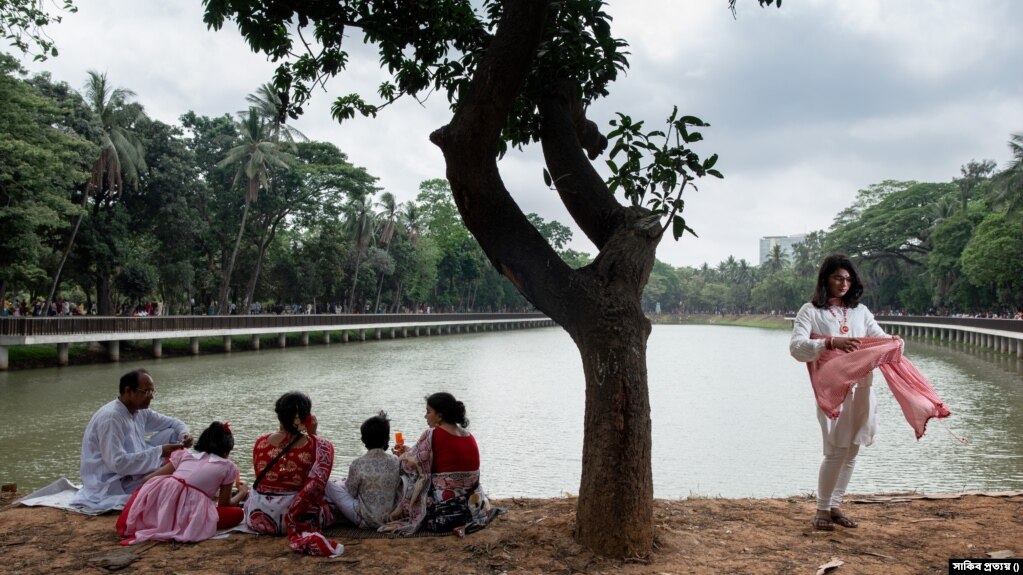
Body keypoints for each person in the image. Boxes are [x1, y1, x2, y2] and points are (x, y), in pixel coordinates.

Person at [789, 254, 900, 531]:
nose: (844, 283)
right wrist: (829, 342)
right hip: (833, 391)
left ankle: (836, 505)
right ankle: (822, 510)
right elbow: (796, 348)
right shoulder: (810, 311)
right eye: (838, 278)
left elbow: (879, 337)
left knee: (851, 450)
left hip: (862, 388)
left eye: (848, 279)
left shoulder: (860, 312)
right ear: (825, 278)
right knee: (836, 450)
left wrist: (895, 343)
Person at [70, 369, 192, 513]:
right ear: (128, 391)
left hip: (132, 467)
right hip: (113, 481)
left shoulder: (139, 410)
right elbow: (118, 464)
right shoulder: (112, 418)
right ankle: (160, 473)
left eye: (152, 392)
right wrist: (159, 452)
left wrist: (184, 434)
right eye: (146, 392)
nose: (151, 397)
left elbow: (173, 423)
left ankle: (160, 472)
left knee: (173, 433)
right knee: (172, 482)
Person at [381, 392, 496, 535]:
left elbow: (410, 466)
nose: (425, 416)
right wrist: (410, 453)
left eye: (428, 412)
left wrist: (403, 457)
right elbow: (441, 459)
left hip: (447, 509)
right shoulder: (468, 435)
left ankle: (397, 511)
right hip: (475, 507)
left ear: (440, 416)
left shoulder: (432, 434)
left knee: (408, 476)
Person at [243, 392, 342, 556]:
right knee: (332, 495)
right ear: (306, 417)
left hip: (259, 518)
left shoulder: (261, 442)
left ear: (279, 416)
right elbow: (317, 483)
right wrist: (313, 434)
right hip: (296, 518)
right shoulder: (317, 445)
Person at [116, 421, 249, 544]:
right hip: (188, 517)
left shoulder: (184, 455)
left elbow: (146, 480)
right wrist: (242, 493)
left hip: (160, 510)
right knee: (238, 514)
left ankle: (158, 520)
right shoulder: (228, 466)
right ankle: (181, 523)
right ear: (226, 451)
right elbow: (224, 504)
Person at [325, 411, 400, 529]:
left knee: (328, 484)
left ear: (363, 440)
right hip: (388, 518)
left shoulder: (357, 464)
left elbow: (351, 492)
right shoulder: (396, 461)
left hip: (364, 520)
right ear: (388, 439)